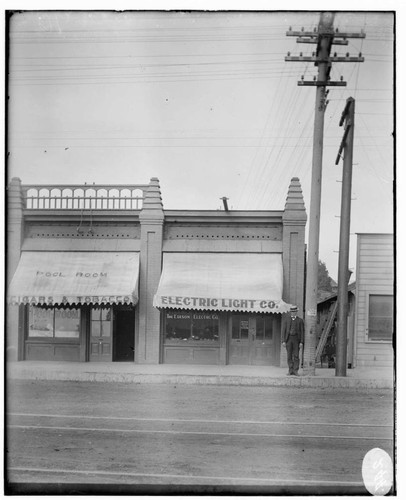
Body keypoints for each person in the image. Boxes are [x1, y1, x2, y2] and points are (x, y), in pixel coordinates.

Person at [281, 305, 304, 376]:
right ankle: (290, 370)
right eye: (292, 312)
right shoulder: (286, 320)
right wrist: (283, 341)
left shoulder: (300, 320)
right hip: (288, 339)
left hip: (296, 339)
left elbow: (302, 332)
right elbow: (283, 331)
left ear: (296, 312)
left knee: (296, 356)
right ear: (290, 312)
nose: (293, 313)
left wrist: (301, 342)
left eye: (294, 312)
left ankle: (295, 370)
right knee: (289, 356)